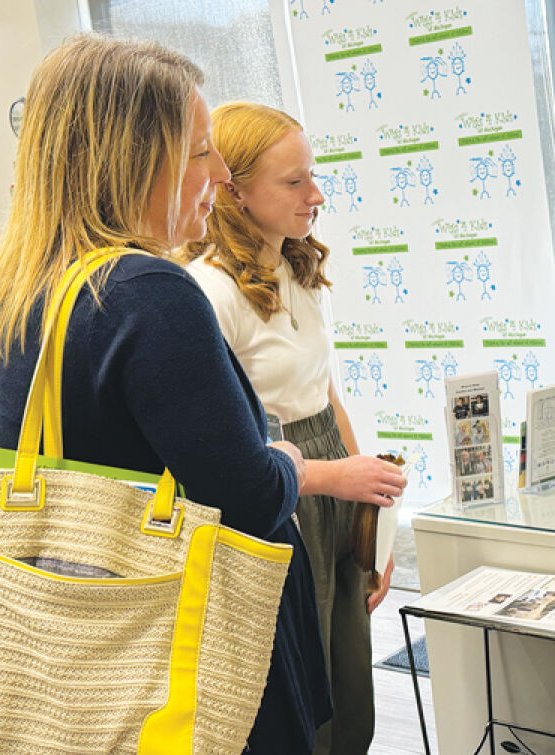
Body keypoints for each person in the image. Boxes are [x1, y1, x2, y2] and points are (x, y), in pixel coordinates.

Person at [0, 36, 331, 754]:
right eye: (202, 150)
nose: (223, 173)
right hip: (188, 661)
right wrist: (286, 457)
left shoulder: (14, 296)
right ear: (134, 158)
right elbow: (250, 497)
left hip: (82, 665)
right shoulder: (148, 295)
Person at [178, 102, 406, 755]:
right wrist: (340, 478)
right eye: (293, 182)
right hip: (279, 479)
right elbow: (228, 450)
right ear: (235, 189)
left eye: (313, 174)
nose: (317, 195)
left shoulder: (300, 267)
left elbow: (326, 394)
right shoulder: (209, 292)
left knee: (350, 682)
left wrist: (372, 509)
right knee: (307, 698)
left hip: (331, 465)